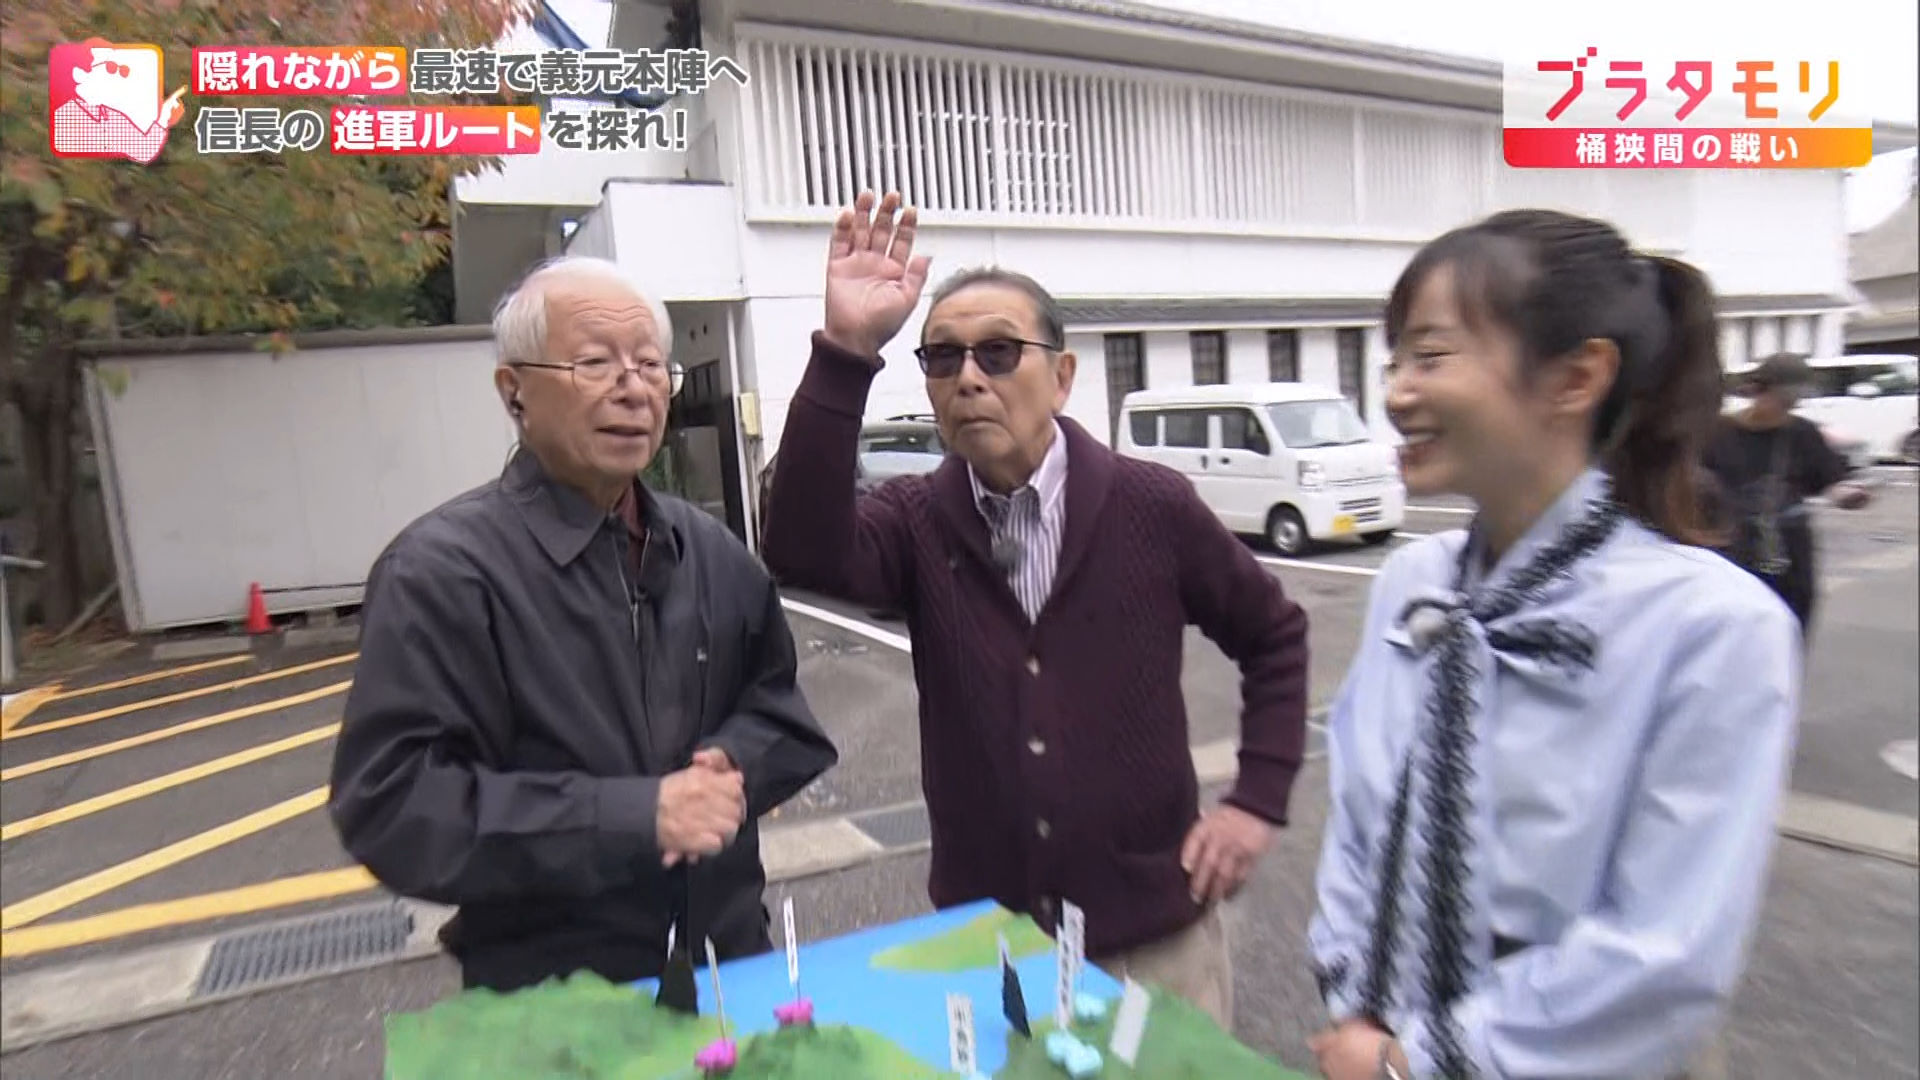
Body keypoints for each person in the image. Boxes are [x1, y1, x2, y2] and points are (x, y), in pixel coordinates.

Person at [760, 191, 1313, 1029]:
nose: (968, 377)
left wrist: (1257, 800)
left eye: (998, 352)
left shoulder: (1152, 506)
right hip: (991, 946)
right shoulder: (916, 520)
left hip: (1154, 939)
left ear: (1062, 376)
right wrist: (846, 348)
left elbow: (1274, 636)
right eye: (942, 358)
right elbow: (801, 548)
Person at [1304, 210, 1800, 1080]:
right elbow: (1355, 826)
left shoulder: (1712, 626)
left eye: (1431, 356)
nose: (1398, 394)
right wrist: (1357, 1004)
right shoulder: (1412, 583)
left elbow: (1665, 953)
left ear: (1577, 376)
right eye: (1394, 363)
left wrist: (1418, 1060)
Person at [328, 255, 838, 992]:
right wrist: (635, 816)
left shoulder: (710, 550)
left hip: (730, 967)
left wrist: (732, 764)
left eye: (651, 365)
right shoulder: (441, 573)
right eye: (595, 363)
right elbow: (396, 805)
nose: (632, 388)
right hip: (556, 996)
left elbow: (781, 712)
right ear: (514, 391)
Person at [1701, 351, 1873, 636]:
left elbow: (1829, 478)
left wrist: (1847, 494)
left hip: (1790, 551)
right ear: (1757, 390)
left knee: (1791, 626)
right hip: (1731, 549)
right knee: (1736, 630)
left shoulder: (1802, 433)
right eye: (1782, 399)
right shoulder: (1718, 433)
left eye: (1794, 401)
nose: (1787, 408)